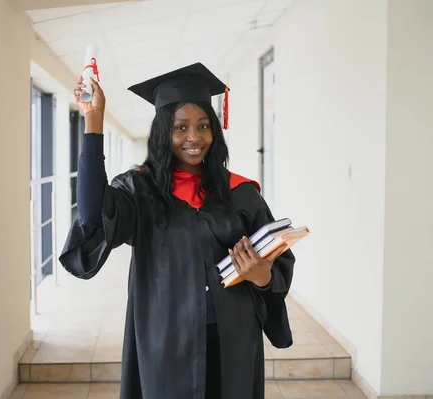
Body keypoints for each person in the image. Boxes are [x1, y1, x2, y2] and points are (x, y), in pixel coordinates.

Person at [59, 62, 296, 399]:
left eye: (203, 126)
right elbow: (93, 212)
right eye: (180, 128)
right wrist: (93, 122)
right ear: (162, 133)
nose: (194, 137)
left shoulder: (241, 193)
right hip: (168, 339)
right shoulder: (140, 191)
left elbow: (280, 265)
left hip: (234, 338)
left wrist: (261, 275)